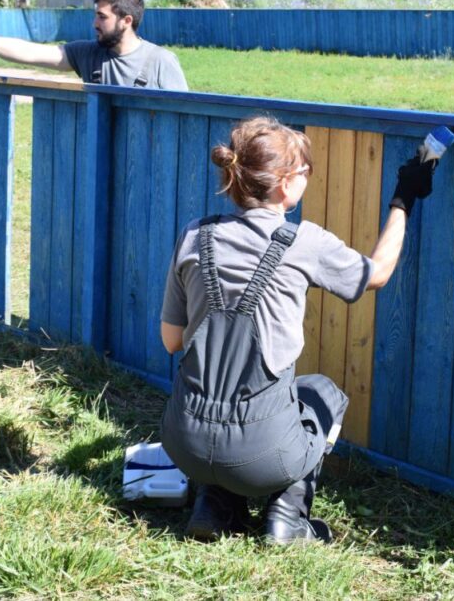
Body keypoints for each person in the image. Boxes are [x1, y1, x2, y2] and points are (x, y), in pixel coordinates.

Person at [159, 116, 437, 544]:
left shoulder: (195, 234)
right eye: (306, 171)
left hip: (183, 444)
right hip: (261, 456)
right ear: (286, 183)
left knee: (228, 395)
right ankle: (287, 518)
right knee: (324, 394)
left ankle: (214, 506)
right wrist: (404, 198)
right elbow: (377, 273)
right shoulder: (301, 241)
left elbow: (172, 341)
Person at [0, 0, 187, 90]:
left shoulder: (161, 61)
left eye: (102, 17)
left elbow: (182, 119)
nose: (94, 23)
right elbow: (33, 53)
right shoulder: (88, 54)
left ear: (126, 21)